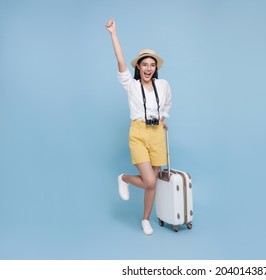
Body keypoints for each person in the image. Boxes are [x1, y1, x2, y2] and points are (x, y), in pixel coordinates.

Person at [105, 18, 172, 235]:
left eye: (152, 65)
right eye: (145, 64)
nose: (149, 68)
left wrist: (163, 120)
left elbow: (167, 105)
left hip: (157, 135)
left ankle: (145, 219)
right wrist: (113, 33)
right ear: (139, 66)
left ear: (155, 68)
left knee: (153, 184)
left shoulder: (163, 85)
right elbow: (121, 61)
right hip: (138, 133)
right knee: (150, 180)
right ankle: (123, 178)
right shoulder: (131, 86)